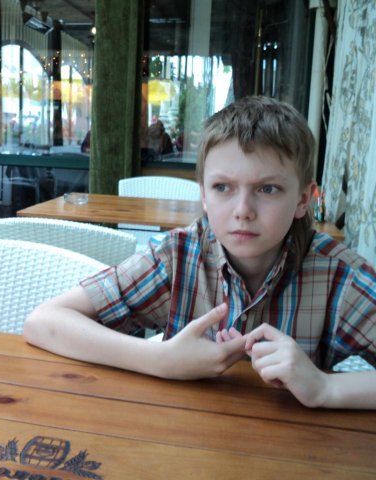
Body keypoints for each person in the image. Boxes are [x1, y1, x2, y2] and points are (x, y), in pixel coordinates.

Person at [23, 96, 376, 409]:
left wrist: (325, 388)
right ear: (204, 196)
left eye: (268, 189)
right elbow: (44, 321)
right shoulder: (177, 257)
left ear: (303, 199)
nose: (243, 210)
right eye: (223, 187)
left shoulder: (339, 276)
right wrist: (159, 358)